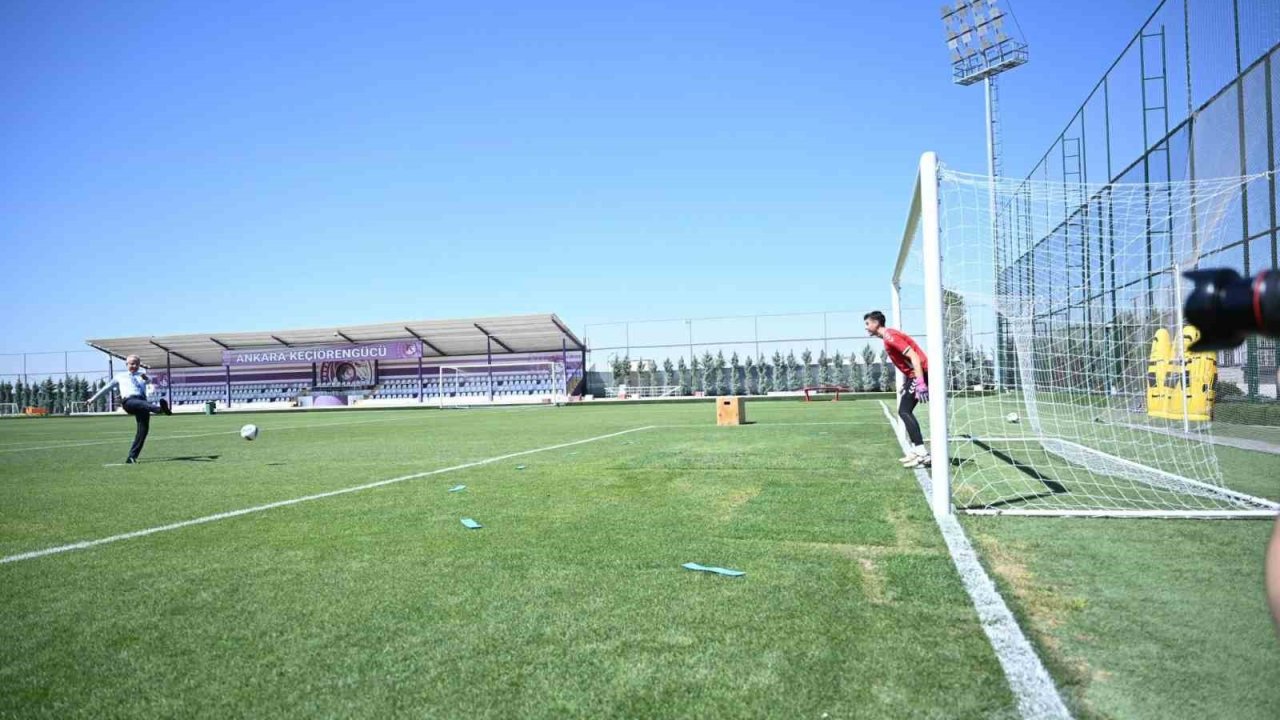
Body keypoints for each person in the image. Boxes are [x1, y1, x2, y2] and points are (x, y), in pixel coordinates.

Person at [865, 311, 931, 468]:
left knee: (904, 411)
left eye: (868, 324)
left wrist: (920, 382)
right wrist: (909, 381)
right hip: (914, 376)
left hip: (920, 374)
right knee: (904, 411)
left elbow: (914, 357)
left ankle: (922, 453)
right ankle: (917, 450)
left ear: (876, 323)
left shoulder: (890, 337)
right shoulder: (888, 338)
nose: (866, 328)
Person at [86, 355, 171, 463]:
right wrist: (92, 399)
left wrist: (148, 380)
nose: (134, 366)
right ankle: (160, 410)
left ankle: (131, 457)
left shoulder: (142, 375)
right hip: (129, 401)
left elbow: (150, 384)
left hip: (143, 403)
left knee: (143, 431)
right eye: (132, 363)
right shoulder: (120, 376)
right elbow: (106, 388)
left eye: (137, 364)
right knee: (143, 404)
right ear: (126, 364)